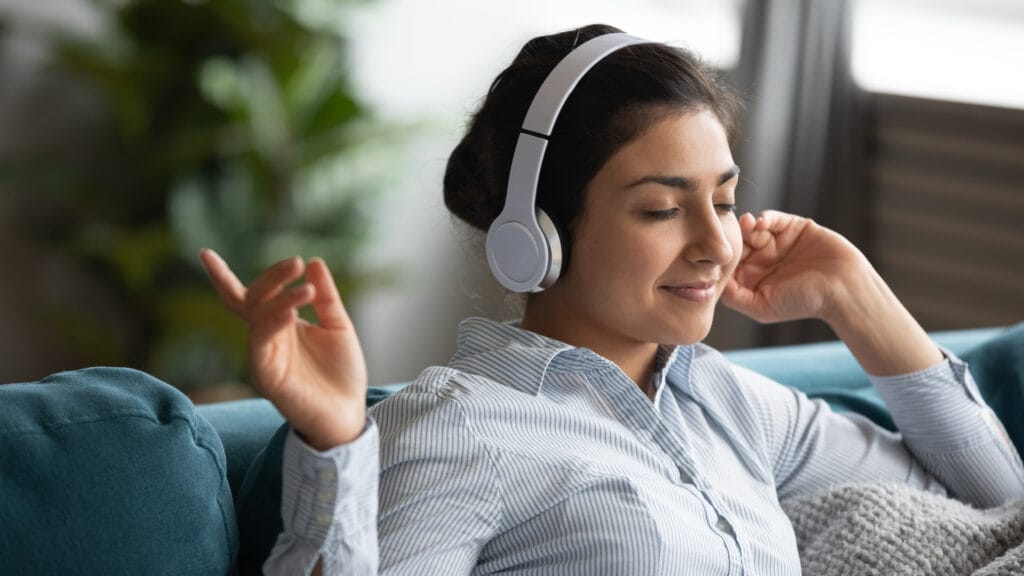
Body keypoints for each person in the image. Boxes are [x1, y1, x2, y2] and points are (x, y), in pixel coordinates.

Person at [201, 24, 1024, 575]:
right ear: (538, 232)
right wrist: (338, 441)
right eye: (663, 209)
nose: (714, 242)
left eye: (726, 201)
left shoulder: (729, 403)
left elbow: (1000, 504)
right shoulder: (462, 428)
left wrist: (855, 294)